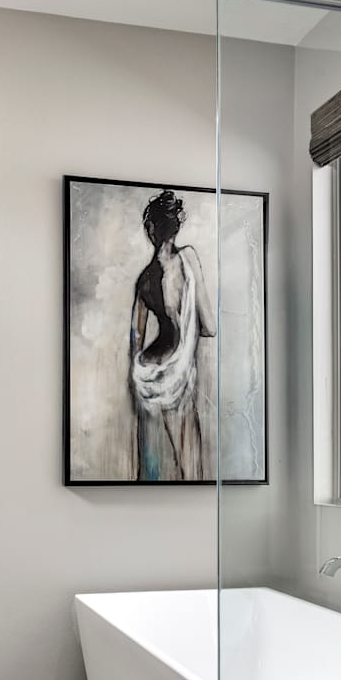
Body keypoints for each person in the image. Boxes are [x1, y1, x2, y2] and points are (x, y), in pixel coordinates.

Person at [129, 189, 215, 481]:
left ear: (150, 229)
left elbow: (136, 339)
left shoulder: (144, 280)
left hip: (146, 376)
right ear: (175, 226)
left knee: (149, 470)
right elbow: (210, 326)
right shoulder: (188, 259)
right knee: (191, 470)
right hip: (177, 377)